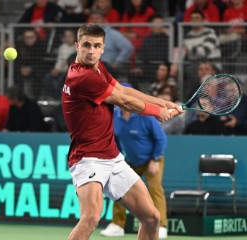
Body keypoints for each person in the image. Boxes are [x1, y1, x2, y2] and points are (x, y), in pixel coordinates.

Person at [62, 23, 182, 240]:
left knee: (152, 217)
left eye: (96, 46)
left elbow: (123, 89)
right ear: (76, 46)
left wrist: (164, 102)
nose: (91, 51)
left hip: (112, 158)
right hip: (88, 158)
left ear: (103, 48)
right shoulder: (82, 76)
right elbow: (123, 101)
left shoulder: (98, 69)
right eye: (86, 45)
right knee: (91, 217)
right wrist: (157, 112)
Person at [100, 83, 168, 239]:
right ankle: (117, 225)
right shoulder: (114, 116)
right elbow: (114, 139)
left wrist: (155, 159)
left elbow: (161, 139)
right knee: (118, 190)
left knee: (155, 190)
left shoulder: (145, 116)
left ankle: (161, 226)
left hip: (152, 159)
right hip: (130, 161)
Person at [89, 10, 134, 79]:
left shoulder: (113, 34)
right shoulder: (88, 36)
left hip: (109, 70)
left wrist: (117, 62)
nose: (95, 21)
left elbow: (128, 48)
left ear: (104, 20)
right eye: (93, 19)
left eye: (97, 18)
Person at [131, 14, 171, 83]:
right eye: (157, 23)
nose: (159, 26)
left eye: (161, 23)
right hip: (149, 68)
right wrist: (140, 67)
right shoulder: (147, 40)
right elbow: (142, 56)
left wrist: (170, 34)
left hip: (164, 67)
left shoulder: (168, 39)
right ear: (151, 26)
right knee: (132, 75)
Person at [43, 28, 77, 99]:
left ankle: (60, 98)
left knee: (61, 80)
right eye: (66, 36)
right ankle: (54, 97)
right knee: (47, 78)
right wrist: (56, 69)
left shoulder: (77, 48)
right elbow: (59, 61)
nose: (68, 38)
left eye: (70, 36)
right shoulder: (62, 47)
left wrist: (61, 70)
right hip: (60, 70)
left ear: (74, 36)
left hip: (69, 72)